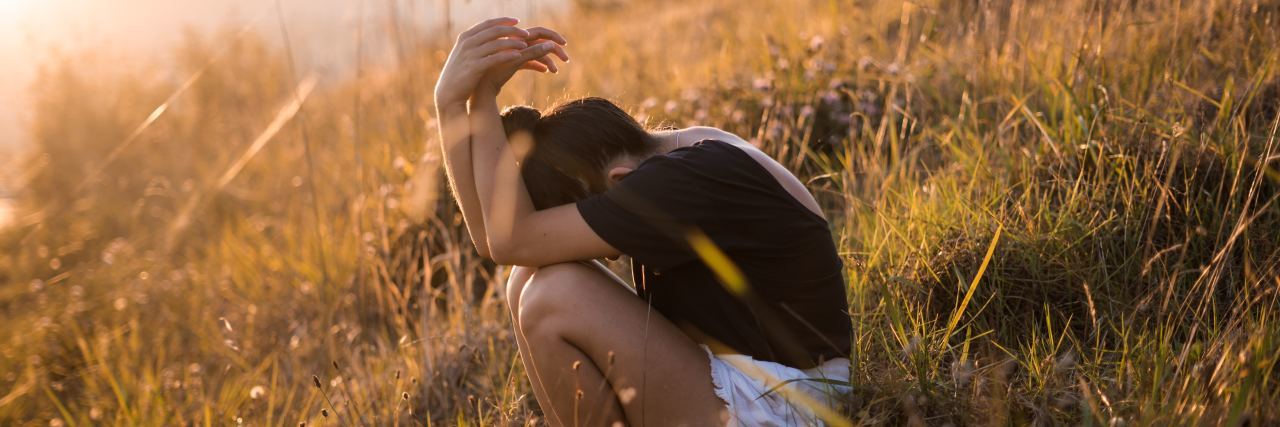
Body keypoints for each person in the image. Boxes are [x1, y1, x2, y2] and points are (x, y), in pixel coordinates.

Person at [433, 17, 852, 426]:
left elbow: (512, 240)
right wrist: (452, 105)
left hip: (793, 404)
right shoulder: (673, 158)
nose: (609, 251)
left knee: (552, 295)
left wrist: (482, 98)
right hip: (749, 383)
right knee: (525, 278)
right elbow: (496, 243)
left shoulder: (677, 183)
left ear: (619, 181)